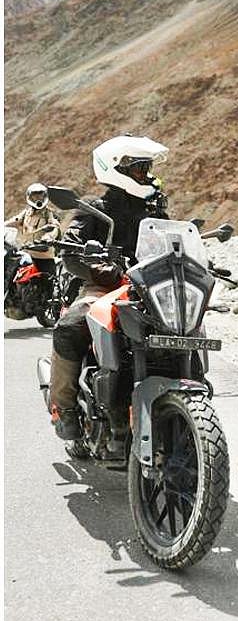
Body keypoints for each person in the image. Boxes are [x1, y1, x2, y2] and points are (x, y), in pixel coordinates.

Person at [48, 136, 169, 440]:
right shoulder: (94, 209)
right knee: (70, 326)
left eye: (148, 169)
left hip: (151, 291)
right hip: (105, 288)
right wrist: (98, 269)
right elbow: (71, 251)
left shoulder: (154, 210)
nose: (147, 175)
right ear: (117, 169)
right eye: (140, 169)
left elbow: (173, 241)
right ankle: (64, 408)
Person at [4, 183, 61, 288]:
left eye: (41, 196)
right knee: (9, 275)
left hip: (43, 256)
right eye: (35, 196)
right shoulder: (26, 213)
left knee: (48, 286)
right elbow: (13, 221)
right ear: (29, 197)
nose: (38, 199)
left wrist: (48, 237)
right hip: (25, 253)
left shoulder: (50, 214)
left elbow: (54, 227)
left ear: (45, 197)